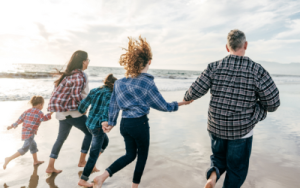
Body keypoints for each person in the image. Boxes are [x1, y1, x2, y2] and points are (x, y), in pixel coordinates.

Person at [183, 29, 280, 188]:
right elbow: (274, 103)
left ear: (227, 48)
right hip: (241, 129)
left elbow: (193, 92)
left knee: (218, 158)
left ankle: (212, 178)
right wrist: (259, 109)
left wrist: (186, 98)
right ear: (246, 45)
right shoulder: (256, 70)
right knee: (237, 169)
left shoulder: (214, 67)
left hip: (216, 126)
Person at [93, 36, 192, 188]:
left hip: (125, 125)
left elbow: (114, 104)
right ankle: (134, 187)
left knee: (130, 155)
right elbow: (163, 106)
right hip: (139, 123)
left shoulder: (119, 82)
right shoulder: (146, 82)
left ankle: (102, 176)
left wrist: (111, 123)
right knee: (142, 156)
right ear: (149, 62)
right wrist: (182, 103)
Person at [45, 50, 92, 174]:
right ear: (83, 61)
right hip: (74, 112)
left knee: (60, 139)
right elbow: (77, 95)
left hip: (61, 113)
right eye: (88, 60)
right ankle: (82, 161)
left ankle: (50, 166)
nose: (88, 62)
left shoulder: (66, 75)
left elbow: (57, 93)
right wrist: (84, 108)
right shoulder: (81, 75)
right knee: (90, 133)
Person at [77, 74, 117, 187]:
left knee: (105, 142)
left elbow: (83, 106)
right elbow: (106, 109)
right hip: (98, 127)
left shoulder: (95, 90)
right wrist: (105, 122)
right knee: (94, 153)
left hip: (89, 124)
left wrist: (81, 110)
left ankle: (92, 164)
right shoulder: (110, 93)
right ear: (113, 84)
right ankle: (83, 179)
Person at [3, 96, 53, 170]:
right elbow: (43, 119)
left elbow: (20, 119)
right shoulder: (39, 112)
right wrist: (51, 112)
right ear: (40, 104)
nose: (42, 107)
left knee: (33, 145)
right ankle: (9, 159)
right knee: (25, 148)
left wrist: (12, 126)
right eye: (42, 105)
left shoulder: (27, 111)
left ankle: (35, 161)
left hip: (25, 132)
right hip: (30, 133)